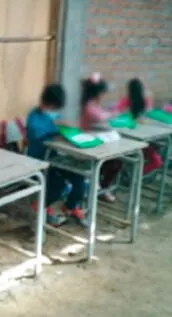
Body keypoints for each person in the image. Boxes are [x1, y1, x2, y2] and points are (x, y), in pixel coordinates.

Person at [26, 84, 87, 226]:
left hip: (56, 158)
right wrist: (57, 130)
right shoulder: (34, 117)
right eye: (53, 107)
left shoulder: (53, 116)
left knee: (79, 178)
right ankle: (40, 206)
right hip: (39, 161)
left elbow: (60, 126)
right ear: (46, 102)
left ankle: (70, 206)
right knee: (57, 186)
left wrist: (67, 127)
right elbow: (39, 134)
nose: (55, 111)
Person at [80, 73, 121, 202]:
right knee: (113, 163)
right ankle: (97, 187)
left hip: (96, 142)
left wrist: (110, 112)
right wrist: (113, 113)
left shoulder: (94, 104)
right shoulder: (89, 106)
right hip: (88, 145)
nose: (104, 95)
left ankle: (103, 187)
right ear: (97, 93)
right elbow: (100, 117)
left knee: (116, 162)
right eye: (103, 93)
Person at [113, 78, 163, 175]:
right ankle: (136, 175)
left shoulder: (129, 99)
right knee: (155, 159)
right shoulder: (140, 99)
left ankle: (134, 175)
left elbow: (116, 113)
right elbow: (148, 115)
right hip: (138, 137)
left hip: (131, 137)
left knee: (152, 157)